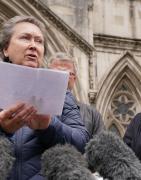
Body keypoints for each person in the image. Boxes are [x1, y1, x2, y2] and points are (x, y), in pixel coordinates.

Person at [0, 15, 89, 180]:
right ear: (6, 49)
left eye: (39, 41)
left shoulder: (62, 93)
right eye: (25, 38)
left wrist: (49, 126)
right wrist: (2, 129)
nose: (33, 46)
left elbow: (83, 144)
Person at [48, 52, 105, 138]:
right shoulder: (35, 108)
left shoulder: (92, 115)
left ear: (74, 79)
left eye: (67, 73)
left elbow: (101, 146)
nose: (62, 77)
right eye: (57, 73)